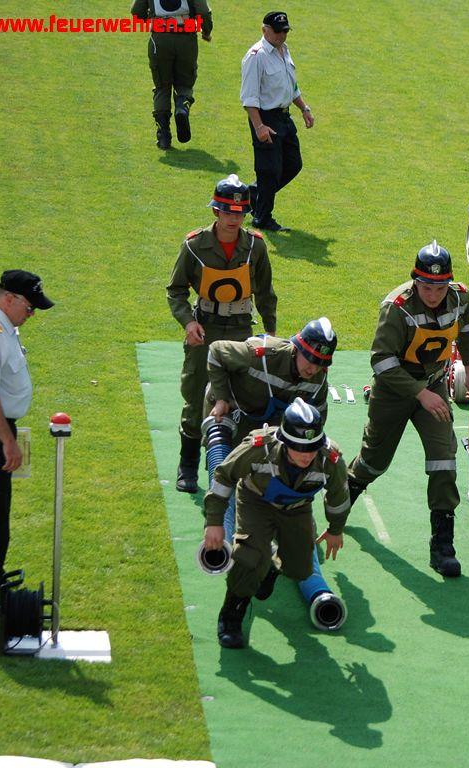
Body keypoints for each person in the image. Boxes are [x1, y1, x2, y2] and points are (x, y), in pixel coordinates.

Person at [347, 241, 469, 577]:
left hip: (433, 384)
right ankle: (346, 489)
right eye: (426, 286)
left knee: (443, 459)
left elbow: (467, 328)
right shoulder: (397, 308)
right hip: (395, 391)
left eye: (439, 287)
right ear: (415, 281)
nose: (433, 294)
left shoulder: (460, 297)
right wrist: (420, 394)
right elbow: (381, 361)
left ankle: (443, 545)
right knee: (374, 462)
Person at [203, 398, 350, 648]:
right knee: (249, 556)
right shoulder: (259, 447)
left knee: (301, 568)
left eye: (312, 447)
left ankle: (271, 566)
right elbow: (224, 476)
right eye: (299, 448)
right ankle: (231, 616)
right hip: (256, 502)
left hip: (296, 508)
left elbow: (338, 497)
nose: (307, 455)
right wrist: (214, 522)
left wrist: (336, 529)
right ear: (284, 442)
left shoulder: (330, 459)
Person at [167, 174, 277, 494]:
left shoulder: (255, 246)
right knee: (195, 395)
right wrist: (188, 323)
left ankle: (233, 467)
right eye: (228, 212)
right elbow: (175, 290)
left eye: (240, 212)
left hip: (242, 329)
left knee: (240, 397)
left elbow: (265, 292)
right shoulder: (194, 245)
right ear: (216, 211)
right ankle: (188, 464)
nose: (234, 218)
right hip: (205, 329)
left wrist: (270, 332)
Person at [0, 271, 54, 617]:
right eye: (29, 307)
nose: (32, 313)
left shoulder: (5, 327)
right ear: (8, 298)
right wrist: (7, 442)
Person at [206, 316, 336, 444]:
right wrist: (221, 399)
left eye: (320, 364)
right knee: (221, 454)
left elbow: (318, 412)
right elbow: (216, 351)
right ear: (297, 349)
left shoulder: (319, 378)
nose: (313, 370)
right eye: (310, 360)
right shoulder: (260, 355)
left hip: (268, 422)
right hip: (230, 408)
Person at [240, 11, 314, 232]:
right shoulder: (256, 57)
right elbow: (249, 98)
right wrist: (259, 126)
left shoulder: (284, 50)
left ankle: (253, 195)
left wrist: (304, 108)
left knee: (293, 164)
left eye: (285, 31)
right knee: (269, 170)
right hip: (265, 118)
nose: (282, 35)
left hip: (284, 116)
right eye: (278, 31)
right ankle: (262, 218)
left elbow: (290, 85)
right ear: (265, 30)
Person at [131, 0, 213, 150]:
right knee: (185, 84)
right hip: (186, 39)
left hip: (159, 40)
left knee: (162, 87)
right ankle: (182, 107)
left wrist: (152, 21)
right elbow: (203, 11)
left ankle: (163, 136)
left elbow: (137, 11)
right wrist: (206, 31)